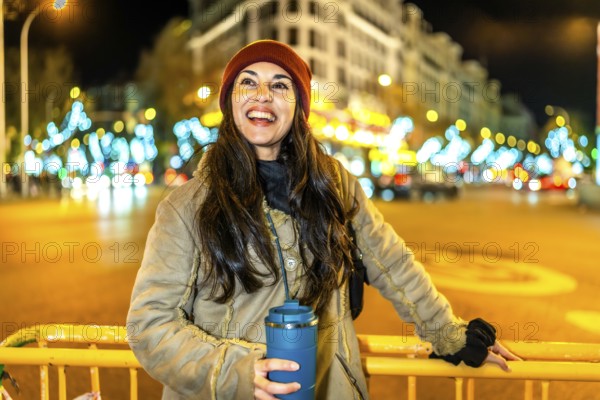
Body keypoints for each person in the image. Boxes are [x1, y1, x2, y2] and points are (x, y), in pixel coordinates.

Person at [126, 40, 520, 400]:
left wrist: (451, 336)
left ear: (298, 105)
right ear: (230, 101)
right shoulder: (188, 205)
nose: (263, 95)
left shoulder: (335, 185)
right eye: (248, 83)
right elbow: (150, 325)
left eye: (280, 86)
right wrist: (237, 372)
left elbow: (393, 264)